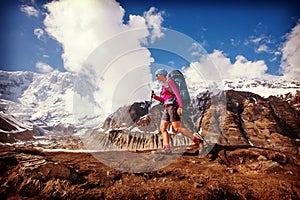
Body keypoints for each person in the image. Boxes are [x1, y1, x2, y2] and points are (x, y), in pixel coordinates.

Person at [151, 69, 202, 153]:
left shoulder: (170, 81)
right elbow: (164, 99)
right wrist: (155, 97)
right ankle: (167, 148)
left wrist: (180, 106)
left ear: (161, 74)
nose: (156, 77)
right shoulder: (164, 85)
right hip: (166, 107)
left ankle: (197, 140)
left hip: (172, 107)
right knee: (163, 128)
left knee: (177, 128)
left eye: (157, 75)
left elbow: (177, 93)